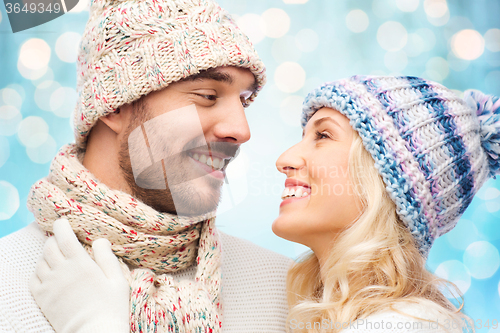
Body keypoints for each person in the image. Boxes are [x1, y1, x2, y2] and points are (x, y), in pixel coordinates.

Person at [32, 75, 499, 332]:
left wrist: (94, 325)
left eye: (323, 136)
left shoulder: (400, 329)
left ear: (385, 177)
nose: (285, 158)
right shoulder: (322, 312)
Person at [0, 0, 292, 332]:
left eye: (243, 101)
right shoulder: (6, 286)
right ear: (115, 106)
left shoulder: (288, 293)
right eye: (208, 96)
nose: (241, 131)